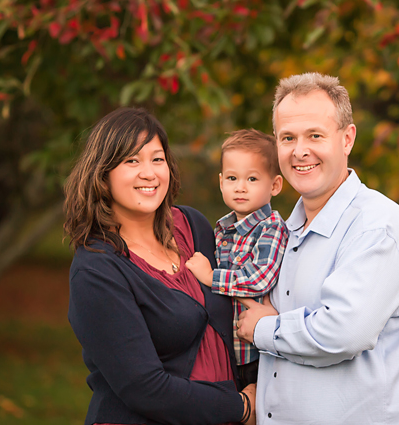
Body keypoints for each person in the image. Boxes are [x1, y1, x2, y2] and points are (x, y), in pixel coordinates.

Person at [237, 73, 399, 424]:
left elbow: (342, 334)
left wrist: (263, 330)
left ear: (347, 139)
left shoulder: (375, 225)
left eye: (315, 135)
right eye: (288, 138)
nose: (300, 150)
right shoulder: (283, 232)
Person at [63, 108, 256, 425]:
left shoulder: (193, 226)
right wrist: (242, 407)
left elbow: (231, 303)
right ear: (103, 174)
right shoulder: (97, 271)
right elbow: (145, 388)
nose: (149, 173)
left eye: (157, 159)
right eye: (132, 161)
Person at [185, 129, 288, 390]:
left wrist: (210, 277)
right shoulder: (222, 230)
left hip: (256, 353)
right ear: (221, 182)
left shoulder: (271, 227)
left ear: (275, 185)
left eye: (252, 179)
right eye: (232, 178)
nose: (240, 187)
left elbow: (259, 278)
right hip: (225, 350)